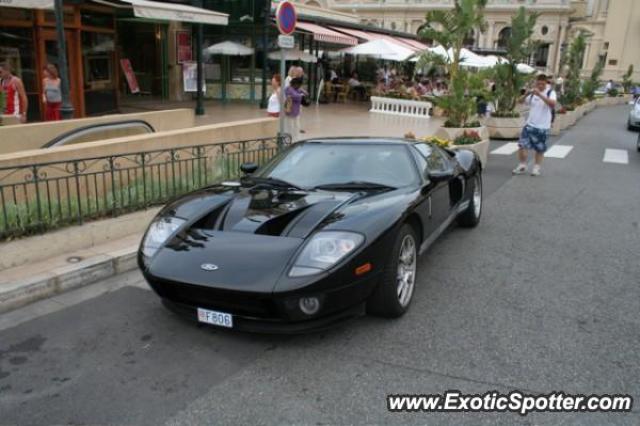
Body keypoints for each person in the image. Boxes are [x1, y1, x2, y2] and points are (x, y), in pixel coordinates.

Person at [513, 74, 557, 177]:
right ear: (536, 83)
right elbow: (519, 102)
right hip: (529, 125)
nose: (540, 86)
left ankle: (536, 167)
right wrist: (526, 94)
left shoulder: (551, 92)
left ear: (546, 83)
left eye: (542, 84)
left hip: (543, 127)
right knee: (522, 145)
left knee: (540, 149)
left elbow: (553, 104)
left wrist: (540, 95)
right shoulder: (533, 93)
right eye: (538, 84)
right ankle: (522, 165)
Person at [284, 77, 306, 143]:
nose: (299, 86)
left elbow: (306, 93)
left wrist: (302, 91)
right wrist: (301, 95)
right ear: (295, 84)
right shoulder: (289, 89)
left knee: (296, 127)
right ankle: (289, 142)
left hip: (296, 112)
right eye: (299, 85)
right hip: (290, 112)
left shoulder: (296, 89)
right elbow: (295, 96)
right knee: (290, 128)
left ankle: (296, 141)